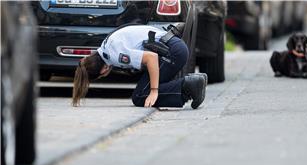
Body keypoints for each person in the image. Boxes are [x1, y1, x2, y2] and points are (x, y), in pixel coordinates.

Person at [72, 25, 207, 109]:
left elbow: (151, 58)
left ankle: (191, 85)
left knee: (140, 96)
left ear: (102, 71)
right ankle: (192, 83)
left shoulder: (115, 54)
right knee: (143, 90)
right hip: (173, 47)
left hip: (173, 52)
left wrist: (154, 91)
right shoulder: (106, 46)